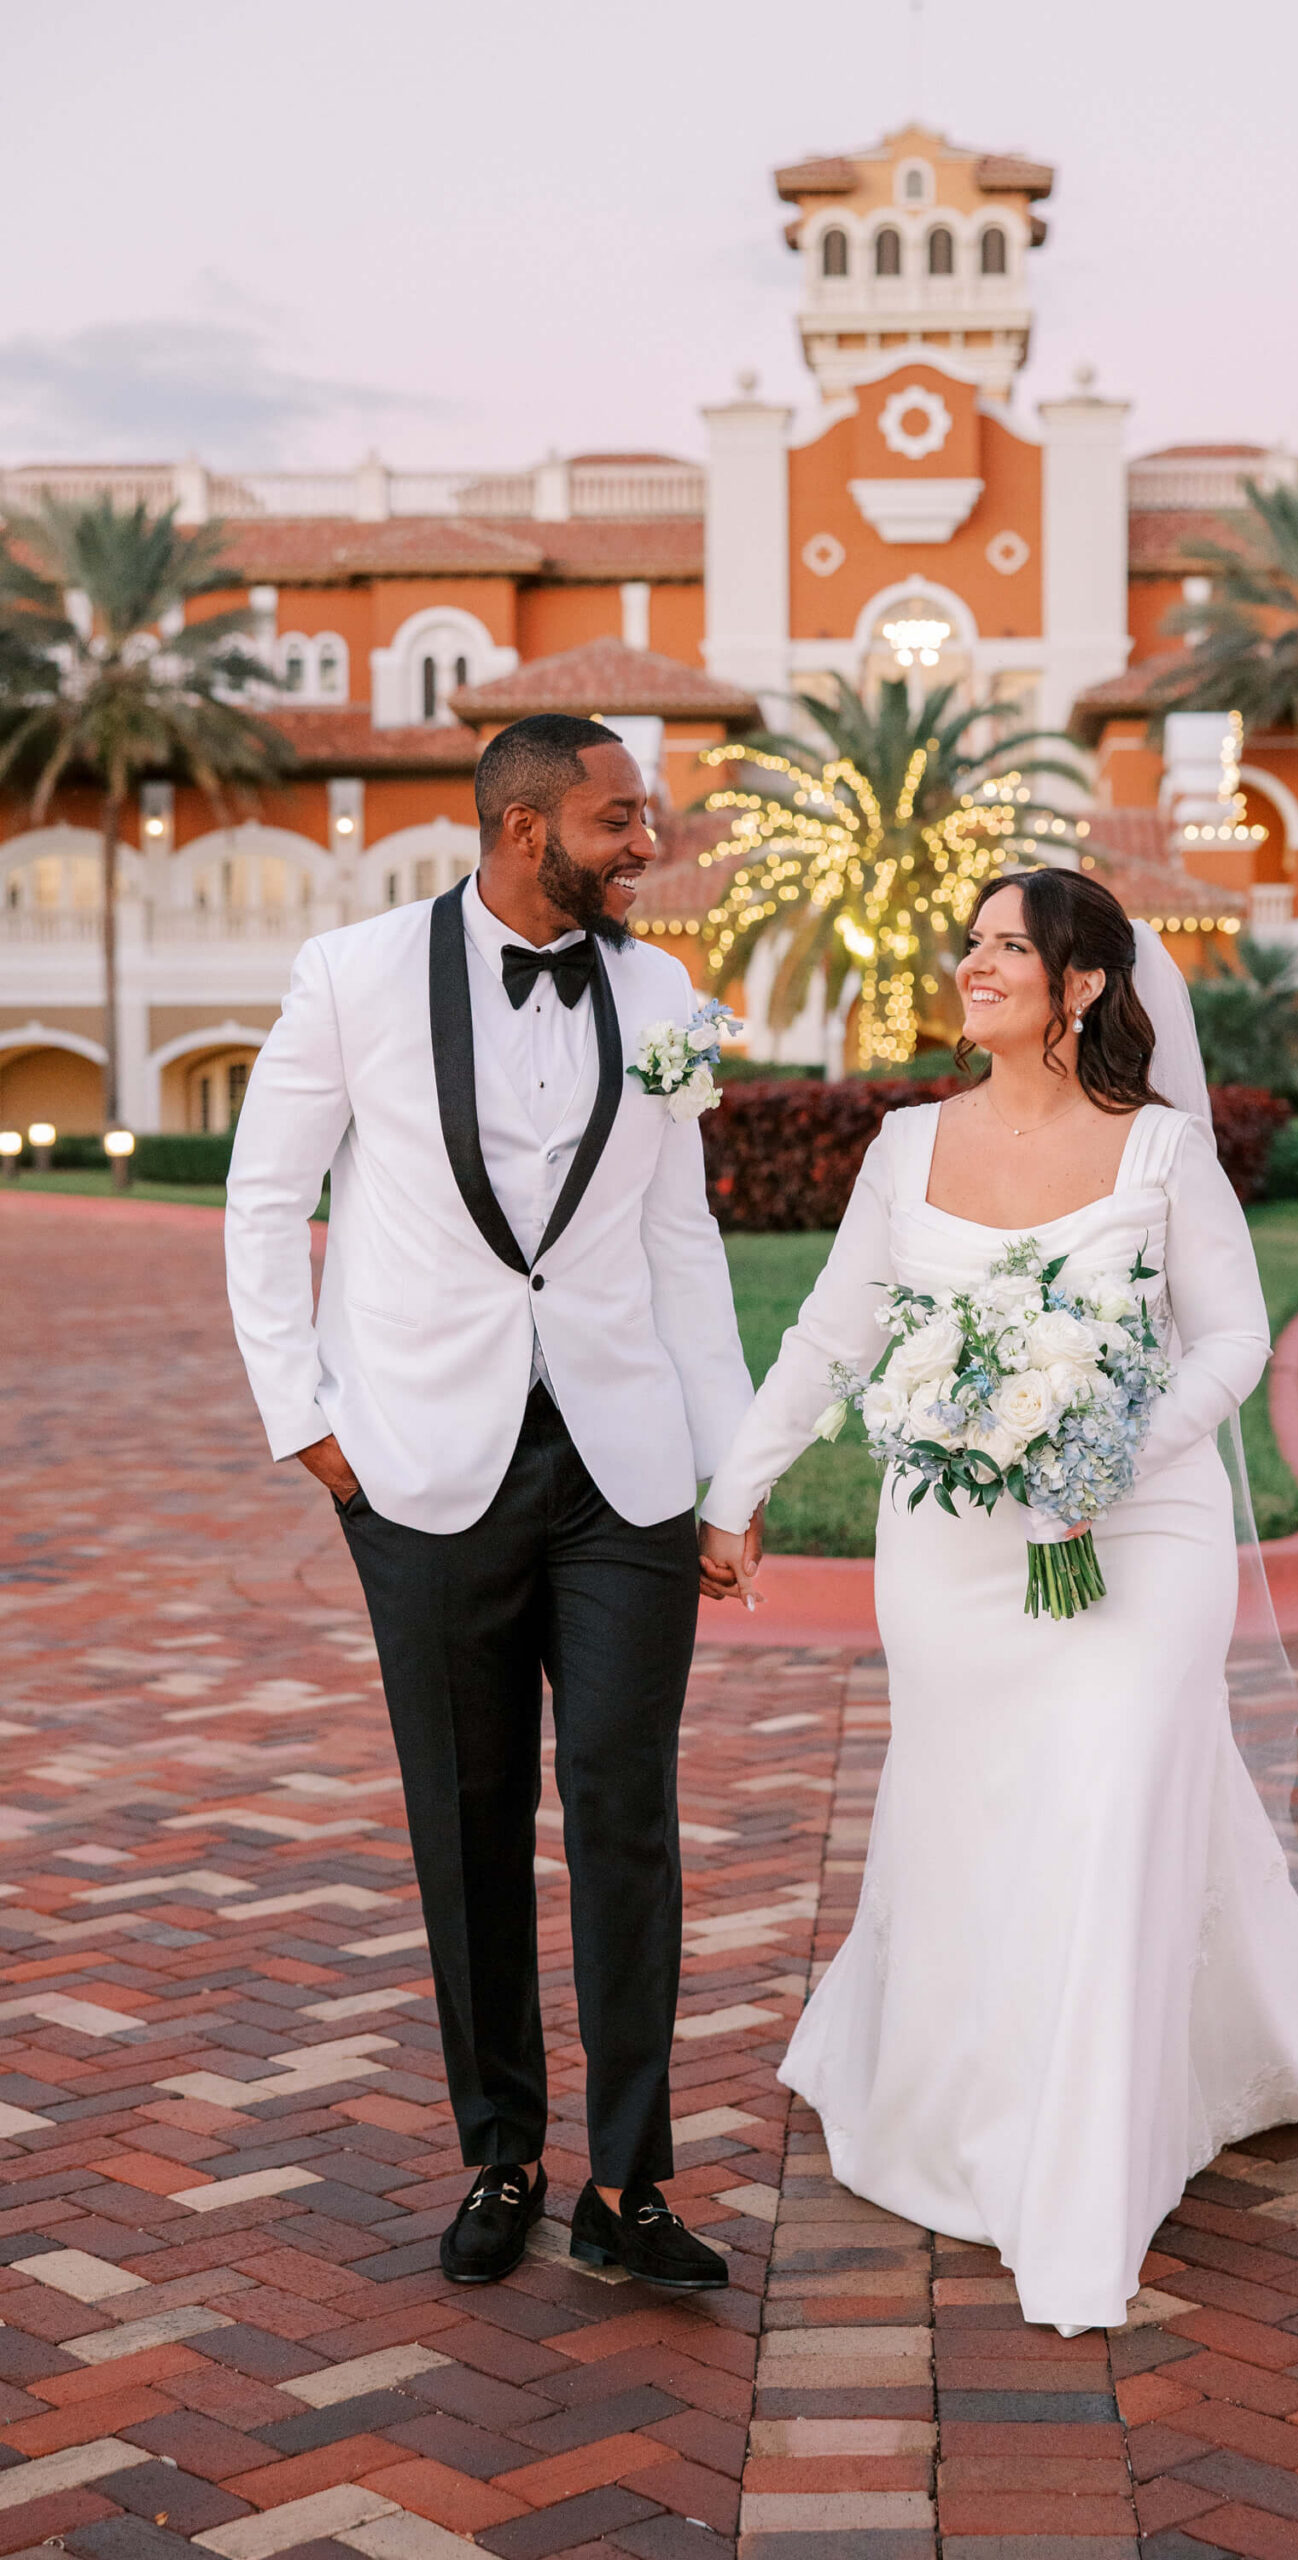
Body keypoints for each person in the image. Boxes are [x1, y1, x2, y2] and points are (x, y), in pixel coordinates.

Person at [699, 867, 1298, 2334]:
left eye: (1012, 946)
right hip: (952, 1552)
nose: (977, 963)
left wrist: (1110, 1453)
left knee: (1111, 1796)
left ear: (1083, 986)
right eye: (972, 941)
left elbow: (1234, 1340)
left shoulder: (1163, 1150)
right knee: (981, 1811)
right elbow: (828, 1338)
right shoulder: (906, 1147)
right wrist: (736, 1490)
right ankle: (966, 2096)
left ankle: (1081, 2174)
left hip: (1145, 1531)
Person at [226, 713, 761, 2292]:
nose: (648, 843)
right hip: (418, 1464)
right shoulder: (354, 975)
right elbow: (265, 1199)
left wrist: (728, 1473)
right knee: (466, 1818)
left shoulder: (664, 996)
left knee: (625, 1810)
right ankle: (503, 2154)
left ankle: (631, 2184)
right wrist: (305, 1423)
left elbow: (681, 1241)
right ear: (528, 830)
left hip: (622, 1468)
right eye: (621, 820)